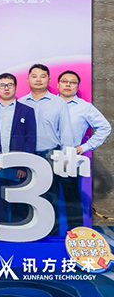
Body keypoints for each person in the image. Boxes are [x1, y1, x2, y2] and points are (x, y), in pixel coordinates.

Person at [19, 64, 74, 235]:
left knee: (51, 197)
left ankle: (51, 236)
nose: (38, 79)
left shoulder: (58, 103)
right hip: (27, 156)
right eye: (34, 76)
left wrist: (66, 158)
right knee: (25, 196)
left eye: (42, 76)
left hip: (50, 155)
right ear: (28, 79)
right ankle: (27, 234)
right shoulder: (20, 103)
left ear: (49, 79)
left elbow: (66, 132)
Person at [57, 70, 111, 229]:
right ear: (58, 84)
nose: (68, 85)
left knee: (71, 199)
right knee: (46, 198)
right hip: (46, 156)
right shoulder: (49, 103)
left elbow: (105, 127)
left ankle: (75, 235)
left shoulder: (84, 107)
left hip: (70, 158)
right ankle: (48, 237)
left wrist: (84, 147)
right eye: (64, 81)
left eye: (72, 82)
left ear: (77, 86)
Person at [0, 73, 37, 224]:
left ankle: (19, 234)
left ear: (15, 87)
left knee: (19, 206)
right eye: (2, 85)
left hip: (18, 169)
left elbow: (30, 140)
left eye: (10, 85)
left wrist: (23, 165)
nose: (6, 88)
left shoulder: (27, 111)